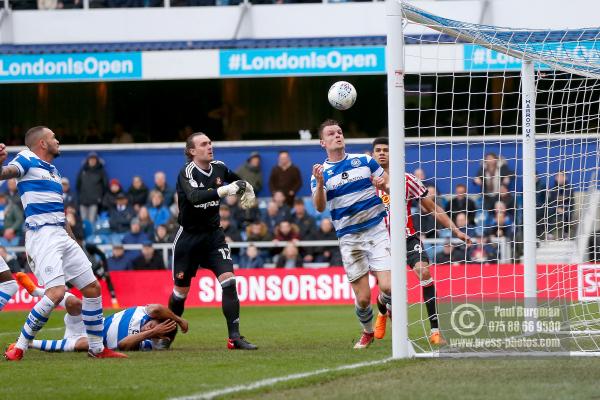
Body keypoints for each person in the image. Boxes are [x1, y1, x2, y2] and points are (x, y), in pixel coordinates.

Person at [0, 127, 126, 360]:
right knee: (57, 292)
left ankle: (97, 349)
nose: (58, 140)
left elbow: (61, 212)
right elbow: (6, 172)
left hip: (61, 233)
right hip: (42, 235)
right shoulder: (26, 158)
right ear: (42, 144)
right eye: (53, 137)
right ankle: (19, 347)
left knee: (92, 288)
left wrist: (75, 243)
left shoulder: (54, 172)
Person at [371, 137, 470, 344]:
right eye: (378, 150)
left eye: (386, 150)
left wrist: (456, 231)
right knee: (387, 290)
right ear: (372, 154)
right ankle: (382, 312)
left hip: (407, 237)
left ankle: (435, 332)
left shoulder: (407, 180)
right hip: (379, 242)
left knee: (424, 271)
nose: (382, 153)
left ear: (394, 154)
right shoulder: (365, 182)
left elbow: (432, 208)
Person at [165, 132, 257, 350]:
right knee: (180, 293)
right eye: (203, 144)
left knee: (229, 281)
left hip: (214, 236)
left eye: (210, 142)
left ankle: (234, 338)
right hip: (188, 237)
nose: (209, 146)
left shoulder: (219, 167)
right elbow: (195, 198)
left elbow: (238, 181)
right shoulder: (186, 172)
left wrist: (248, 187)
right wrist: (226, 190)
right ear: (192, 151)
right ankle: (166, 336)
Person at [310, 120, 392, 349]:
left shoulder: (365, 161)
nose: (337, 135)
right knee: (363, 298)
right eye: (331, 133)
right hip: (349, 238)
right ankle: (367, 332)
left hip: (376, 231)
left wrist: (382, 185)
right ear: (322, 142)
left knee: (388, 287)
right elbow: (319, 207)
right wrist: (318, 183)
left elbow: (389, 186)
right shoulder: (320, 173)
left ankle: (385, 304)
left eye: (339, 132)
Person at [12, 275, 188, 353]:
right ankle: (36, 291)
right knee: (75, 303)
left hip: (93, 340)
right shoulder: (147, 313)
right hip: (93, 323)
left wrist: (151, 333)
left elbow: (123, 345)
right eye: (154, 324)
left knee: (83, 345)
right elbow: (157, 309)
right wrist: (179, 320)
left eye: (155, 329)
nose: (150, 326)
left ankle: (27, 343)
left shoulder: (150, 343)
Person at [76, 152, 108, 222]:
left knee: (91, 222)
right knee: (84, 222)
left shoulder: (101, 171)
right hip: (83, 201)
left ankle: (91, 233)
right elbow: (78, 184)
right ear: (88, 160)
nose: (92, 161)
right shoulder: (83, 170)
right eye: (91, 159)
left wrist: (99, 197)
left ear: (97, 161)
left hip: (94, 201)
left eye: (94, 159)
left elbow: (105, 185)